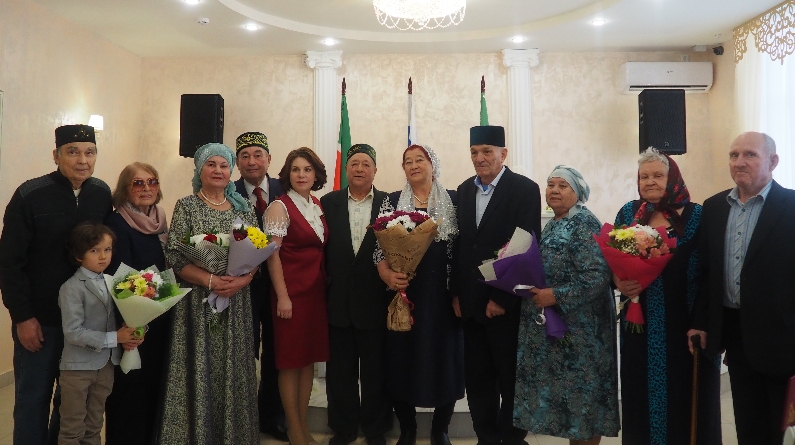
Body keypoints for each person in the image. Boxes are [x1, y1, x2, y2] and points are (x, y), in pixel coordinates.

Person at [0, 124, 112, 445]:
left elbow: (106, 251)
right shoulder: (30, 195)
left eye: (89, 152)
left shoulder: (101, 193)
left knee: (71, 404)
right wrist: (23, 317)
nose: (82, 160)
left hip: (84, 323)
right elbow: (9, 262)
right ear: (56, 155)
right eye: (72, 152)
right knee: (32, 399)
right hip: (41, 321)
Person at [688, 132, 795, 445]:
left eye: (750, 154)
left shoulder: (791, 206)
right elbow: (707, 272)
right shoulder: (714, 207)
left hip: (783, 337)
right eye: (734, 155)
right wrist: (701, 321)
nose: (739, 162)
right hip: (735, 335)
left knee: (780, 426)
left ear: (773, 161)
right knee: (748, 424)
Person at [613, 149, 721, 445]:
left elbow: (711, 272)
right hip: (640, 326)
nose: (650, 182)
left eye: (658, 175)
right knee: (640, 396)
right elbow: (612, 261)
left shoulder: (697, 215)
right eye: (644, 176)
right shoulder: (628, 213)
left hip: (685, 325)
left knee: (686, 399)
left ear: (673, 178)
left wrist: (702, 322)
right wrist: (619, 281)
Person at [158, 143, 259, 445]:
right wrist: (210, 280)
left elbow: (258, 253)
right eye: (211, 164)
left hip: (236, 303)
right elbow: (174, 257)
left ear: (231, 171)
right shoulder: (186, 205)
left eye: (223, 165)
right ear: (199, 170)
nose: (218, 170)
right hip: (198, 304)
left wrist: (242, 281)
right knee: (199, 367)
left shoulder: (244, 208)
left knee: (233, 368)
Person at [513, 165, 619, 445]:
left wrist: (555, 295)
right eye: (551, 185)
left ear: (578, 192)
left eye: (563, 186)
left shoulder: (584, 223)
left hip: (584, 333)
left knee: (585, 405)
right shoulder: (555, 222)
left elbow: (597, 277)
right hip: (564, 333)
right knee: (573, 411)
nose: (555, 191)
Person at [451, 125, 541, 445]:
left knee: (510, 379)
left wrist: (502, 298)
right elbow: (460, 245)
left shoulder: (524, 189)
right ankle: (486, 438)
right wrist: (456, 293)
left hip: (505, 306)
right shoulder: (464, 190)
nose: (480, 158)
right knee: (478, 381)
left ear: (503, 154)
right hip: (470, 304)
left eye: (487, 151)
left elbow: (524, 245)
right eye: (474, 152)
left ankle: (512, 439)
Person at [375, 144, 464, 445]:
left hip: (444, 296)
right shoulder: (391, 201)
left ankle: (440, 429)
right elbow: (379, 249)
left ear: (432, 164)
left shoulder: (454, 200)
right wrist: (387, 274)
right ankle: (408, 429)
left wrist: (459, 292)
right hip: (405, 293)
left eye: (419, 160)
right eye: (407, 161)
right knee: (401, 359)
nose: (413, 165)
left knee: (445, 360)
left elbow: (463, 249)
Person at [320, 144, 392, 445]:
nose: (359, 169)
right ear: (346, 169)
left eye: (366, 164)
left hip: (376, 301)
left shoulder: (389, 203)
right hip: (338, 301)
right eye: (354, 164)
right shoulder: (328, 202)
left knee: (376, 372)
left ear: (375, 170)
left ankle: (376, 429)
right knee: (340, 373)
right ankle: (344, 428)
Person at [264, 147, 330, 445]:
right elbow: (272, 256)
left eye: (307, 169)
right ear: (287, 174)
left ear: (316, 174)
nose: (301, 175)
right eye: (295, 169)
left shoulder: (316, 204)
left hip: (315, 293)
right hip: (291, 295)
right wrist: (282, 296)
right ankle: (294, 430)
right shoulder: (280, 206)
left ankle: (302, 426)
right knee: (290, 363)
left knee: (307, 362)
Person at [57, 222, 142, 445]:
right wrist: (115, 338)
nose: (103, 256)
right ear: (78, 255)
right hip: (78, 369)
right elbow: (73, 332)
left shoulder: (113, 282)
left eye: (107, 249)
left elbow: (128, 314)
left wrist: (136, 331)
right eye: (94, 250)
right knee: (72, 428)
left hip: (106, 367)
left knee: (94, 425)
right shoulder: (71, 287)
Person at [103, 162, 169, 445]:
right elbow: (119, 277)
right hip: (131, 321)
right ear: (125, 189)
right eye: (138, 183)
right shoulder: (117, 223)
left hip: (160, 318)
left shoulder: (160, 220)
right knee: (129, 395)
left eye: (152, 182)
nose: (146, 188)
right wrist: (130, 322)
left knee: (154, 390)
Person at [233, 131, 287, 441]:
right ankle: (242, 416)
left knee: (277, 351)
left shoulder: (285, 189)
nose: (252, 161)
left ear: (269, 159)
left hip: (281, 285)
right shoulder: (228, 192)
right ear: (237, 162)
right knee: (244, 349)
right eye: (245, 156)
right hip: (242, 286)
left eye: (258, 155)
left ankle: (273, 415)